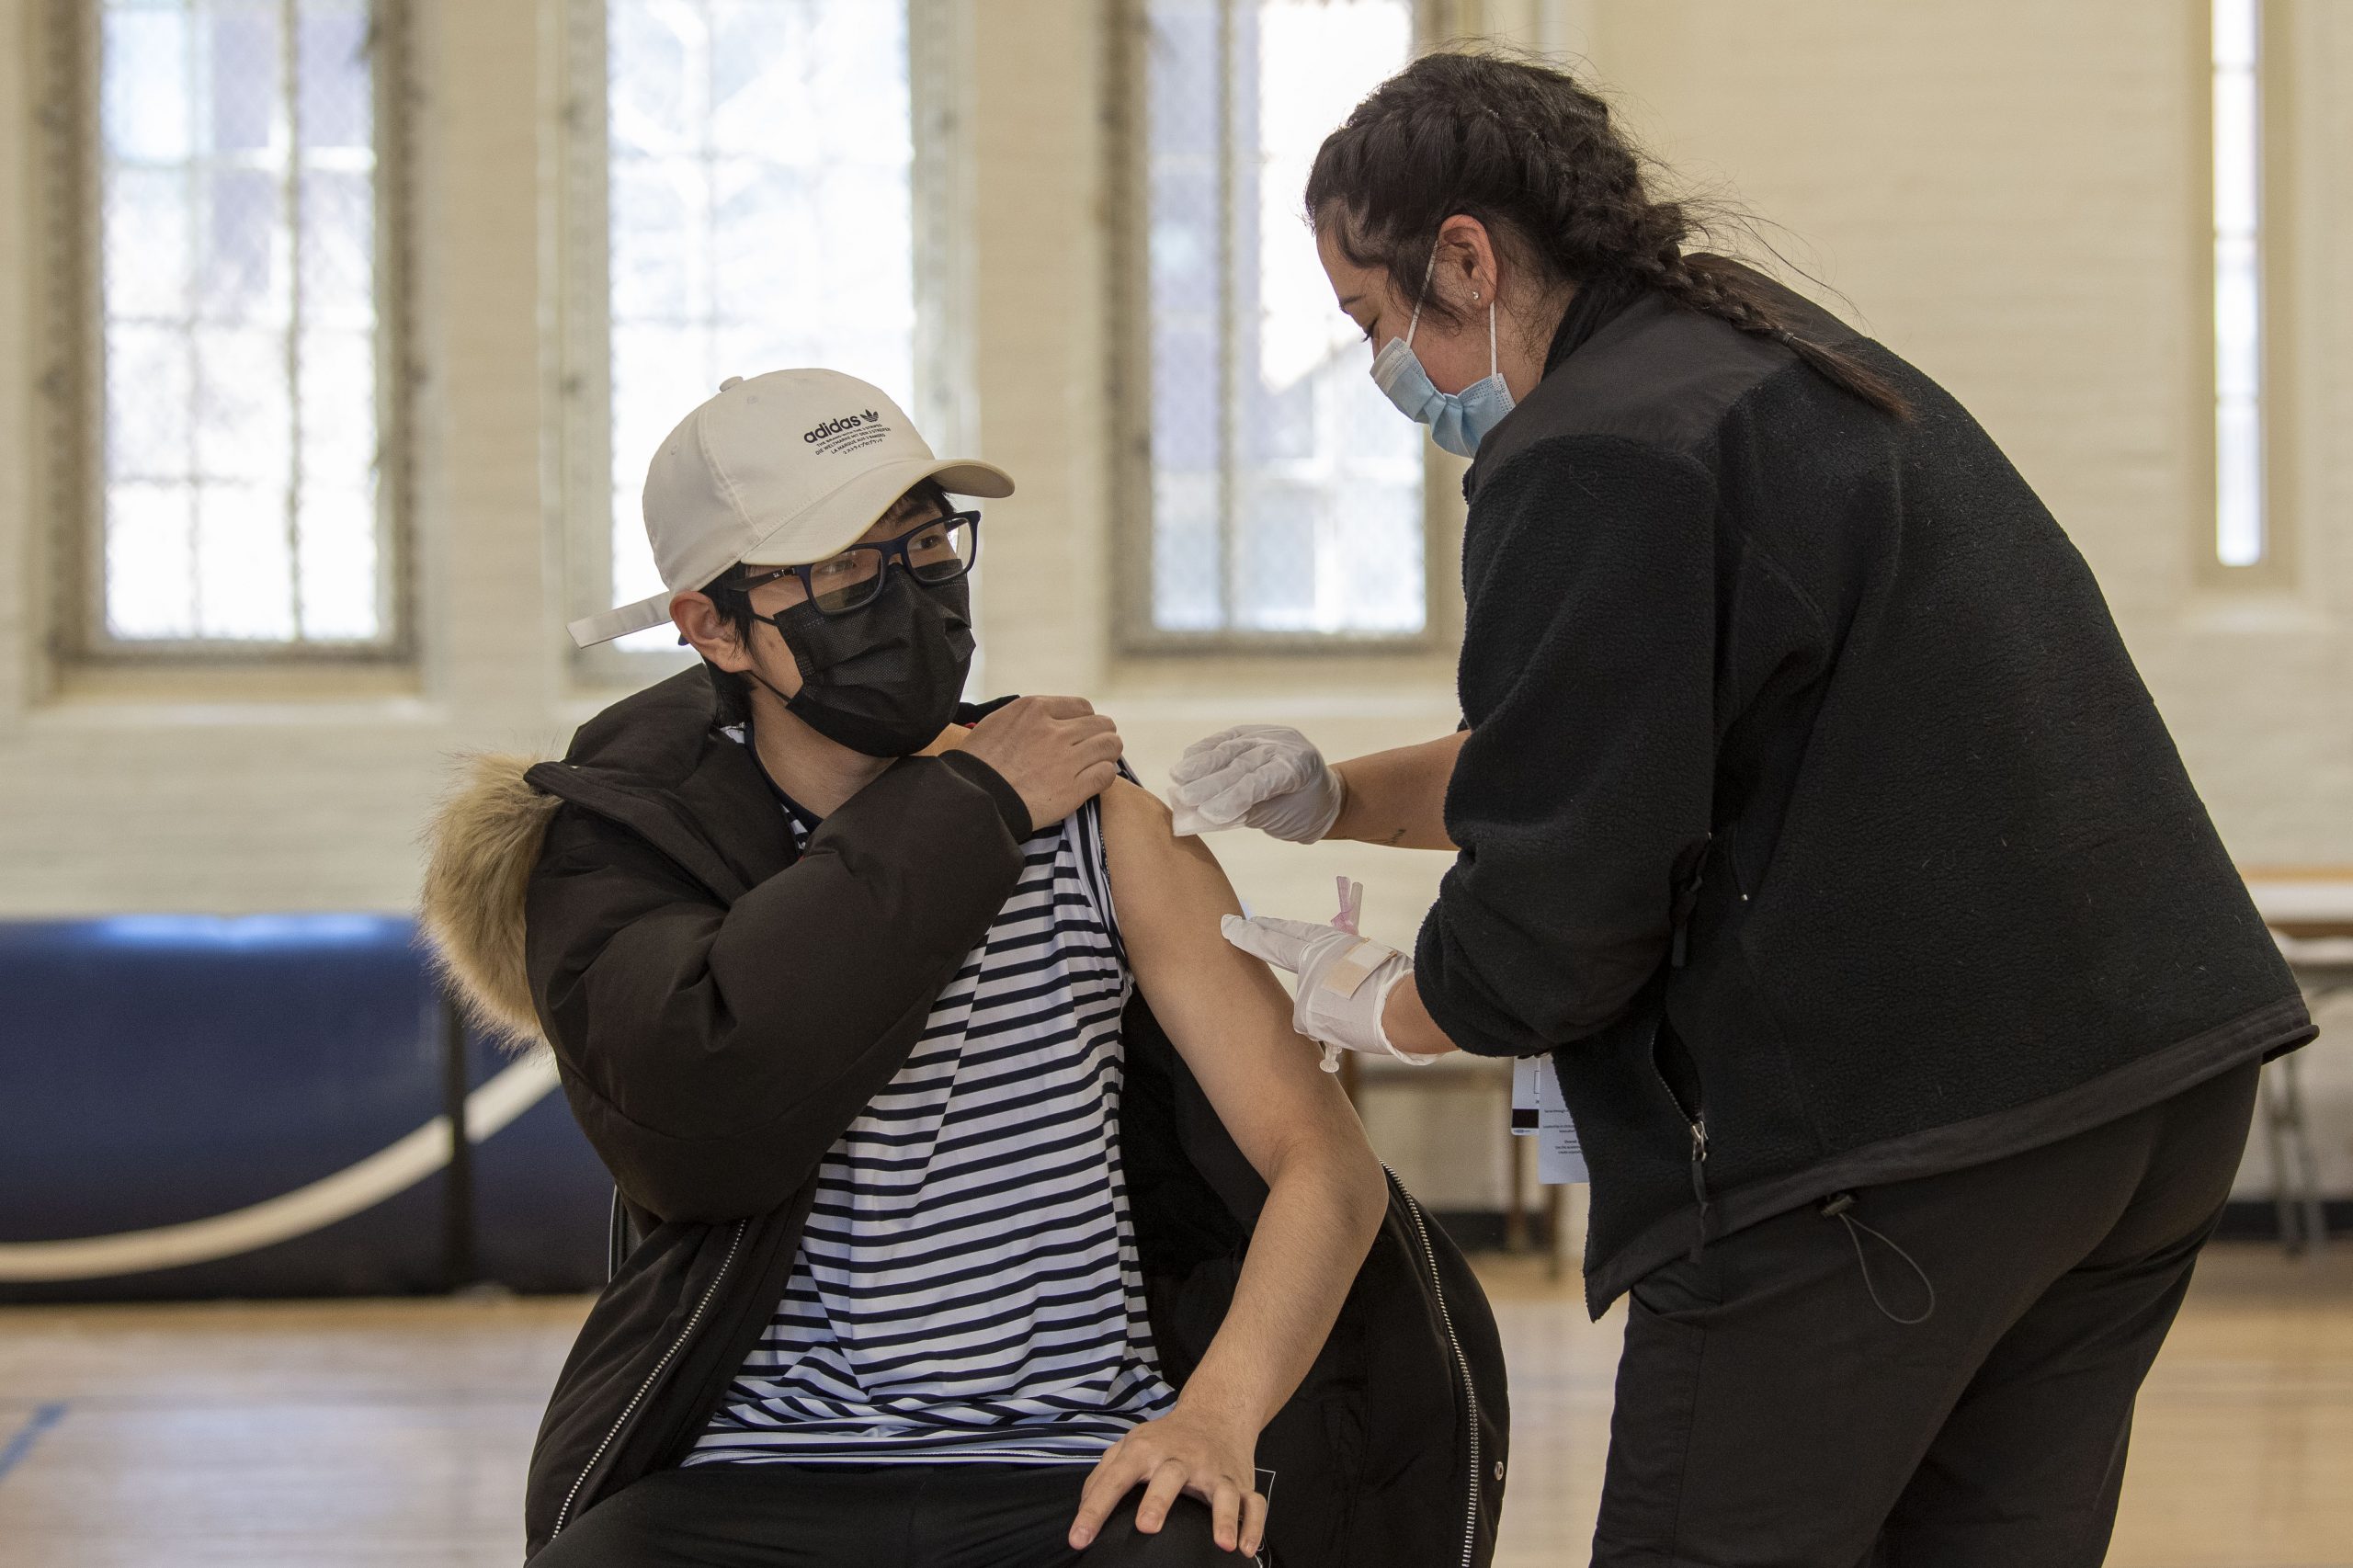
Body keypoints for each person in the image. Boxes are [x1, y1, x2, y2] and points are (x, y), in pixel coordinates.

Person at [1172, 51, 2315, 1568]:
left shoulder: (1587, 451)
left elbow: (1560, 908)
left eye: (1375, 321)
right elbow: (1621, 747)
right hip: (2143, 1084)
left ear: (1465, 254)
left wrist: (1396, 1005)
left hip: (1903, 1138)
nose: (1387, 369)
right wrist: (1339, 801)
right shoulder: (1754, 358)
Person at [420, 369, 1509, 1568]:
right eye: (843, 566)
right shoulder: (662, 863)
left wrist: (1214, 1410)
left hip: (1074, 1470)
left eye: (928, 541)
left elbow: (1325, 1163)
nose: (907, 592)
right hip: (753, 1473)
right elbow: (693, 1079)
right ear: (712, 627)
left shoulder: (1105, 827)